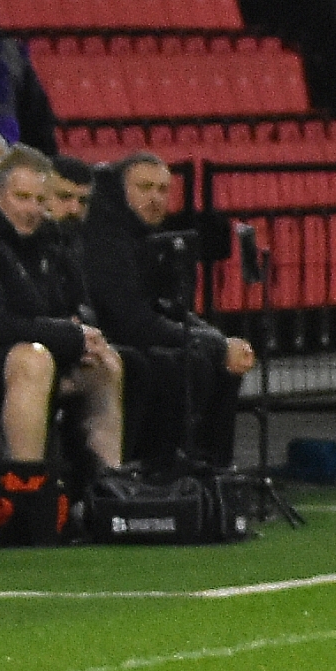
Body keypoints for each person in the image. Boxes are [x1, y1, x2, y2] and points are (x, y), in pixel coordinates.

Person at [85, 153, 253, 469]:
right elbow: (130, 321)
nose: (155, 198)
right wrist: (213, 344)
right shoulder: (106, 240)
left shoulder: (146, 237)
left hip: (135, 335)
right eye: (144, 187)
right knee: (184, 362)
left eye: (162, 190)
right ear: (120, 190)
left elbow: (169, 308)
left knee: (221, 360)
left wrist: (216, 339)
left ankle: (214, 470)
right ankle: (164, 469)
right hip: (110, 339)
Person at [0, 146, 122, 474]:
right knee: (33, 360)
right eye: (22, 197)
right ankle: (26, 487)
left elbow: (74, 304)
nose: (32, 209)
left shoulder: (48, 242)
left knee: (106, 363)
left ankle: (104, 483)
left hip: (33, 348)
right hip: (15, 355)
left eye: (40, 200)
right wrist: (68, 333)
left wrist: (84, 334)